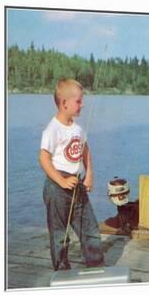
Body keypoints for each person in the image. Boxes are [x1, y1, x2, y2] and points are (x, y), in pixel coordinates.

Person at [39, 78, 104, 270]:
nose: (82, 104)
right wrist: (60, 180)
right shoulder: (52, 129)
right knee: (60, 233)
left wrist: (89, 174)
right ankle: (61, 269)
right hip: (57, 187)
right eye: (78, 101)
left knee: (90, 229)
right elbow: (43, 158)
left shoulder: (78, 129)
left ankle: (96, 265)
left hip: (77, 184)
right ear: (64, 103)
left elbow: (85, 150)